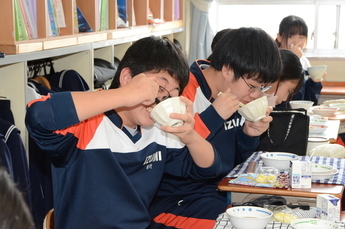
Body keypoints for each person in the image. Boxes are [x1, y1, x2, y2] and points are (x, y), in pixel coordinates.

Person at [25, 36, 221, 229]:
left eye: (170, 94)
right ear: (127, 78)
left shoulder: (158, 130)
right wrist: (124, 95)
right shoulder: (88, 123)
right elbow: (38, 116)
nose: (160, 98)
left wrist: (191, 137)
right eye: (158, 87)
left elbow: (208, 170)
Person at [149, 27, 283, 229]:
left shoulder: (234, 95)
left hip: (216, 194)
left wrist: (248, 135)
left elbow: (233, 163)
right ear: (228, 70)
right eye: (253, 86)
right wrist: (213, 117)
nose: (255, 95)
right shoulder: (182, 92)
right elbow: (172, 164)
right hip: (175, 203)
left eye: (261, 88)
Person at [275, 15, 323, 106]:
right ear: (279, 37)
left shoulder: (303, 61)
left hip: (296, 114)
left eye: (301, 37)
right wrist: (293, 58)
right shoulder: (272, 59)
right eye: (291, 36)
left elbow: (307, 98)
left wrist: (314, 82)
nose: (297, 42)